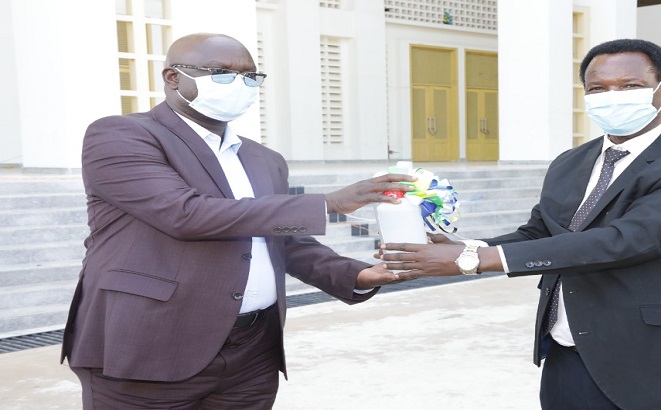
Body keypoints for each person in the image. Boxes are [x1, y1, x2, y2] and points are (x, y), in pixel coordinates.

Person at [380, 39, 661, 410]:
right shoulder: (571, 162)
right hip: (571, 358)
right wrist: (467, 247)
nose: (613, 97)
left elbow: (625, 240)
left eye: (630, 86)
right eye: (598, 89)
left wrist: (477, 260)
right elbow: (539, 232)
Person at [61, 33, 413, 409]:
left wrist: (358, 275)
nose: (240, 84)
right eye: (222, 73)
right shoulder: (123, 135)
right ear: (173, 77)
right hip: (150, 347)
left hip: (252, 354)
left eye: (250, 76)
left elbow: (282, 240)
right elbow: (184, 214)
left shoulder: (265, 159)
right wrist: (328, 204)